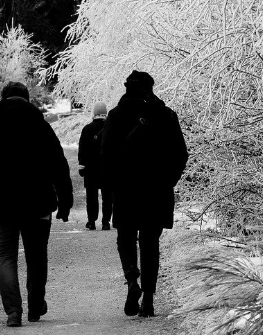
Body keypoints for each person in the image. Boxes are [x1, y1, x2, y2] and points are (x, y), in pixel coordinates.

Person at [0, 81, 73, 327]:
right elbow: (59, 166)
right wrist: (65, 202)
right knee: (37, 256)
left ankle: (13, 312)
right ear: (27, 99)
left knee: (5, 257)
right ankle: (35, 306)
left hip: (0, 206)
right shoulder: (42, 128)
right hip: (38, 203)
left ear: (2, 99)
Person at [101, 71, 188, 318]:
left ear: (127, 88)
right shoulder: (166, 115)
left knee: (125, 237)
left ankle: (132, 280)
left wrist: (114, 184)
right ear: (151, 88)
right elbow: (180, 154)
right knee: (150, 243)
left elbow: (105, 155)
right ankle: (148, 299)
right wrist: (168, 181)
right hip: (156, 190)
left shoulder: (116, 116)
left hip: (126, 189)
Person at [78, 102, 111, 231]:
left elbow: (82, 150)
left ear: (94, 113)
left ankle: (91, 221)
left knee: (91, 196)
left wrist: (82, 166)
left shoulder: (87, 129)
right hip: (106, 168)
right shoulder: (110, 128)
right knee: (107, 196)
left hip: (90, 168)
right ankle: (106, 222)